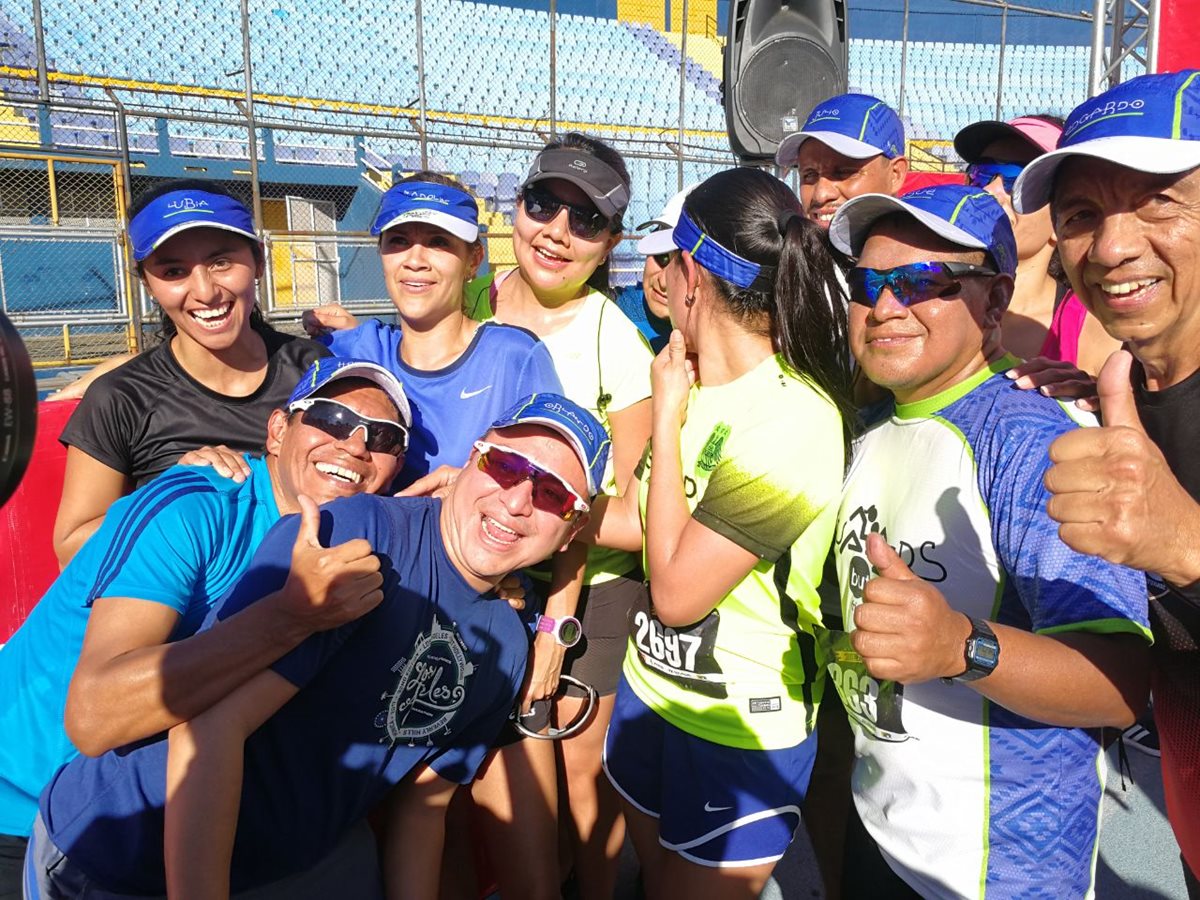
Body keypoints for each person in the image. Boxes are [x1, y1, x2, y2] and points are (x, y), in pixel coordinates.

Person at [24, 394, 609, 900]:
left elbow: (423, 808)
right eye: (507, 465)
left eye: (554, 494)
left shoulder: (507, 644)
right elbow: (208, 730)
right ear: (471, 463)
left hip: (284, 859)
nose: (516, 500)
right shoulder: (355, 540)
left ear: (573, 531)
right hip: (126, 851)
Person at [824, 183, 1151, 897]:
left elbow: (1125, 681)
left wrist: (958, 646)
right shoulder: (870, 424)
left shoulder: (1031, 438)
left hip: (998, 869)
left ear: (995, 303)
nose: (885, 307)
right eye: (867, 283)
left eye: (923, 282)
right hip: (882, 828)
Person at [0, 358, 408, 898]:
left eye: (383, 436)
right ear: (279, 430)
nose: (355, 445)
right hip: (33, 812)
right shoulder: (198, 505)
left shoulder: (349, 545)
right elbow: (94, 717)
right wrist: (289, 618)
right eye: (331, 418)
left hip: (156, 806)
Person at [589, 166, 855, 898]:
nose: (656, 276)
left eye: (665, 258)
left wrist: (668, 426)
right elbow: (642, 522)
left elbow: (675, 593)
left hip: (739, 727)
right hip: (650, 694)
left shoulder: (794, 417)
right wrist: (522, 504)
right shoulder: (695, 380)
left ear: (694, 274)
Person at [1013, 68, 1200, 896]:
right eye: (1083, 214)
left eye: (1160, 200)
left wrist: (1185, 540)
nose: (1114, 247)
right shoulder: (1124, 396)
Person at [459, 133, 653, 899]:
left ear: (608, 246)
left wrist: (556, 611)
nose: (557, 231)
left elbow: (628, 513)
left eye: (587, 221)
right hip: (482, 572)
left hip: (590, 586)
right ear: (516, 204)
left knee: (578, 767)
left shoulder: (619, 343)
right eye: (543, 204)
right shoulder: (469, 302)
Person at [52, 180, 327, 567]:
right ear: (147, 282)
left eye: (221, 262)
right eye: (174, 270)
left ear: (259, 261)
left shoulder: (312, 368)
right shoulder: (121, 397)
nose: (205, 291)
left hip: (310, 601)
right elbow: (70, 547)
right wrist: (171, 492)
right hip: (188, 622)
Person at [299, 173, 563, 488]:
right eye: (399, 241)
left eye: (438, 242)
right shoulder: (351, 350)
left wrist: (476, 489)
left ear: (473, 260)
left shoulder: (514, 359)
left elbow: (554, 484)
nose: (415, 260)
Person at [954, 114, 1120, 375]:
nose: (989, 191)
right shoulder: (926, 299)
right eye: (981, 175)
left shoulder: (1095, 331)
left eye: (1017, 180)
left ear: (1064, 221)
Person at [775, 92, 909, 229]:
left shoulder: (925, 247)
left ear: (895, 174)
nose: (821, 195)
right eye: (809, 175)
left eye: (844, 172)